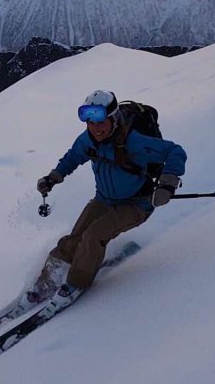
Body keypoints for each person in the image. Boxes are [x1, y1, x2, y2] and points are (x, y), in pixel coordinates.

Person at [32, 89, 186, 314]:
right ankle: (46, 283)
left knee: (94, 235)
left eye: (101, 121)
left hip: (136, 204)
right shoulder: (89, 139)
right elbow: (73, 157)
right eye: (90, 122)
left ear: (114, 118)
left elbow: (175, 152)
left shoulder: (134, 141)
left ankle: (76, 283)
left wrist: (167, 184)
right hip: (103, 200)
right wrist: (53, 177)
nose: (96, 128)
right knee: (74, 239)